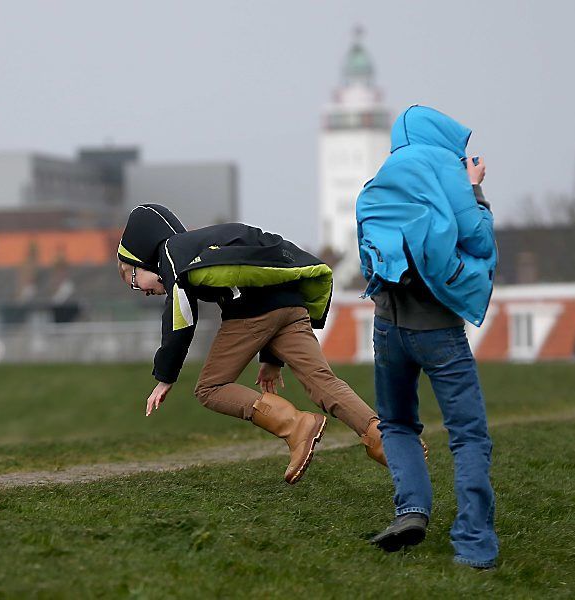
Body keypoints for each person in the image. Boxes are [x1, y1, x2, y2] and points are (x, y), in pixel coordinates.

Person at [117, 204, 388, 485]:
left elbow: (181, 316)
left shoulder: (171, 253)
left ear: (143, 258)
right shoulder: (201, 243)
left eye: (134, 280)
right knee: (321, 380)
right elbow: (262, 278)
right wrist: (271, 359)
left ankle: (295, 426)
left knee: (210, 388)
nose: (143, 291)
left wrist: (165, 376)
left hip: (253, 313)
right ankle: (382, 438)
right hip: (292, 305)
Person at [357, 105, 498, 569]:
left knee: (396, 423)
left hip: (387, 324)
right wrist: (475, 189)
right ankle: (474, 543)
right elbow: (477, 239)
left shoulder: (386, 171)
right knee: (468, 434)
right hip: (437, 328)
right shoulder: (445, 167)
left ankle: (411, 509)